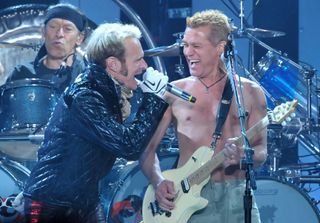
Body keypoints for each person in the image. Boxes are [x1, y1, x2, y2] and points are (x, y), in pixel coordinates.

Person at [18, 22, 169, 223]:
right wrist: (153, 99)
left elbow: (135, 138)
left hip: (85, 201)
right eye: (138, 60)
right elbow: (128, 145)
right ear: (114, 64)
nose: (144, 67)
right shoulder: (86, 95)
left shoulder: (111, 91)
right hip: (53, 205)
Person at [140, 9, 267, 223]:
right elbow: (147, 149)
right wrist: (158, 181)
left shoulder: (250, 91)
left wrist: (245, 155)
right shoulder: (174, 93)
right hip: (187, 200)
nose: (187, 52)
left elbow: (262, 151)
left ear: (220, 47)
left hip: (238, 196)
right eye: (186, 45)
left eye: (196, 46)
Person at [6, 3, 89, 94]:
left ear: (79, 38)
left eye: (67, 29)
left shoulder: (86, 77)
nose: (59, 34)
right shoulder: (22, 74)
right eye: (53, 27)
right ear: (43, 32)